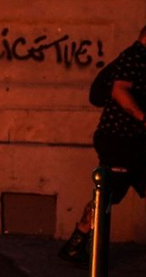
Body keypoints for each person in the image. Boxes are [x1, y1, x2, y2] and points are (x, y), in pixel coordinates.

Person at [59, 23, 146, 263]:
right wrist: (142, 117)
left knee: (107, 193)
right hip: (121, 140)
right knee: (107, 193)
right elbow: (120, 90)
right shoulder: (135, 57)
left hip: (130, 141)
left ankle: (77, 242)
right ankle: (77, 243)